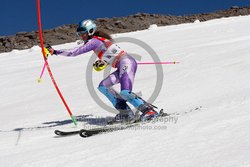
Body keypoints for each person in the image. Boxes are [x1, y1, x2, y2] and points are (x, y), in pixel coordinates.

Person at [46, 19, 158, 122]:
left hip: (126, 62)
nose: (81, 36)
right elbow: (111, 53)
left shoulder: (93, 41)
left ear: (90, 31)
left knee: (125, 92)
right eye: (79, 34)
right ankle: (126, 113)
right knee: (103, 86)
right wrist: (103, 62)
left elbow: (74, 52)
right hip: (121, 65)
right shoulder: (98, 41)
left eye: (83, 33)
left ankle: (149, 111)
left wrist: (54, 52)